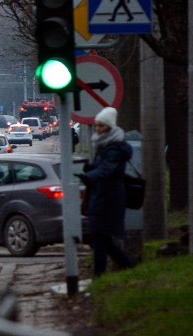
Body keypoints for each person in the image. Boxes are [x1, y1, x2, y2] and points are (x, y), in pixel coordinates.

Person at [78, 107, 135, 277]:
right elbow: (103, 168)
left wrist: (89, 176)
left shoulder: (114, 148)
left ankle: (101, 273)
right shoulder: (105, 146)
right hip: (102, 196)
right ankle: (126, 268)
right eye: (96, 126)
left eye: (101, 126)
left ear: (109, 128)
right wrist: (91, 169)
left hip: (109, 199)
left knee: (99, 236)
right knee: (102, 238)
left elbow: (107, 170)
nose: (97, 130)